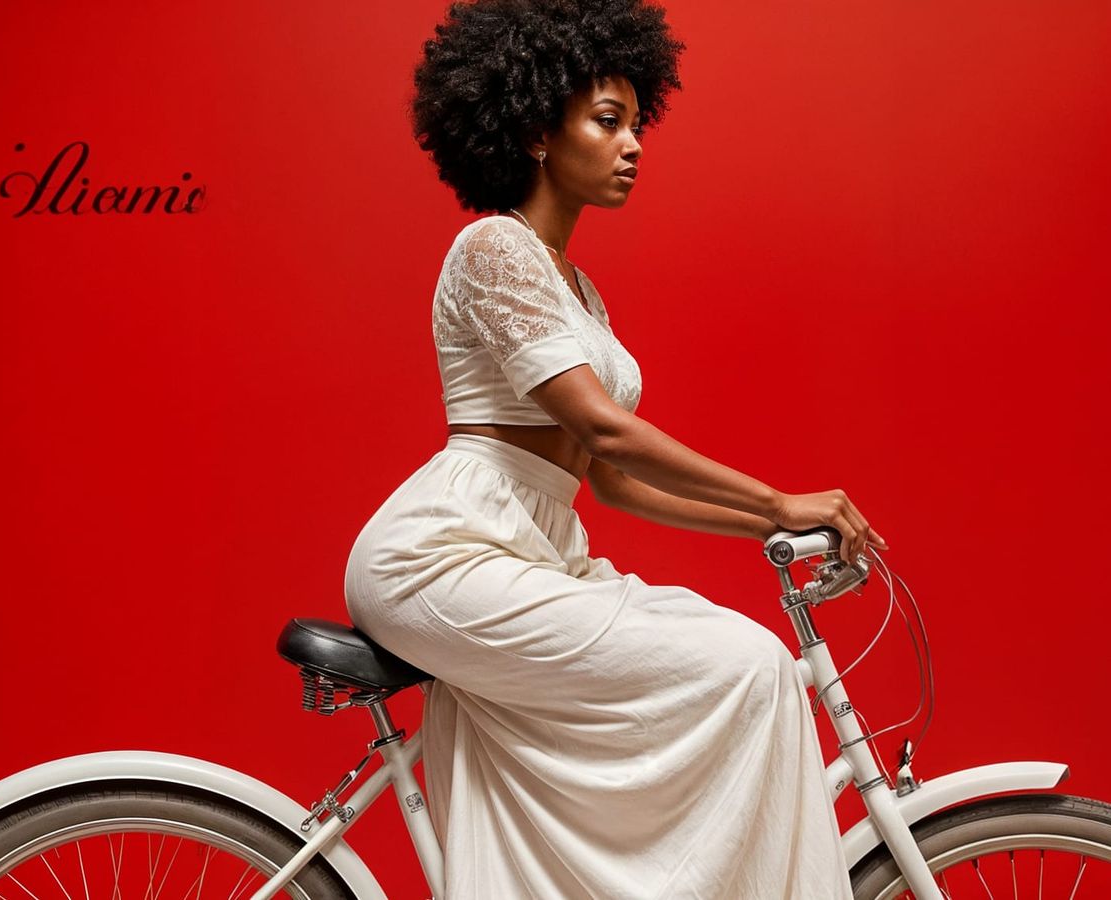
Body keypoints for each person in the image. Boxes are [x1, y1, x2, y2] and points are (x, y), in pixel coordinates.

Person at [345, 1, 886, 896]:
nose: (634, 145)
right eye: (608, 121)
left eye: (638, 124)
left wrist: (758, 532)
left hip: (537, 547)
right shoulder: (493, 248)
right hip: (446, 552)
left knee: (744, 659)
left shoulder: (579, 292)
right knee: (747, 668)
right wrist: (778, 501)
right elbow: (604, 428)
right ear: (534, 130)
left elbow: (610, 484)